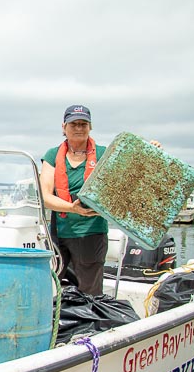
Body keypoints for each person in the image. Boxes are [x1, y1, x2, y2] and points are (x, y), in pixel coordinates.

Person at [40, 105, 159, 295]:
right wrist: (72, 208)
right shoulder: (52, 155)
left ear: (90, 126)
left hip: (92, 233)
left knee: (90, 291)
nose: (78, 128)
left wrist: (151, 153)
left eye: (83, 124)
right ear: (64, 127)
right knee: (49, 286)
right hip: (58, 233)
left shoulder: (105, 153)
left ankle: (89, 323)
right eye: (74, 124)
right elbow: (45, 197)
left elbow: (134, 175)